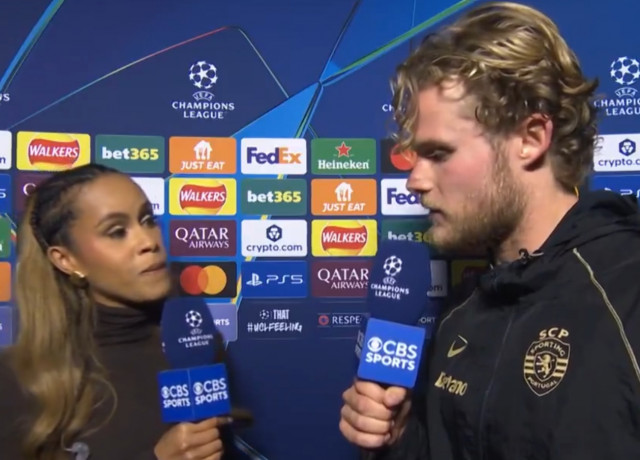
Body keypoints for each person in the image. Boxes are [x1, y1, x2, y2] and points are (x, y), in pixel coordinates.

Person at [339, 1, 640, 459]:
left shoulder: (627, 299)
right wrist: (400, 440)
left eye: (438, 153)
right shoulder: (461, 314)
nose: (414, 180)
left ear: (530, 139)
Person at [0, 164, 235, 459]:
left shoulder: (195, 344)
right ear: (67, 260)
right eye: (117, 232)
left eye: (148, 220)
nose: (148, 242)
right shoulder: (16, 381)